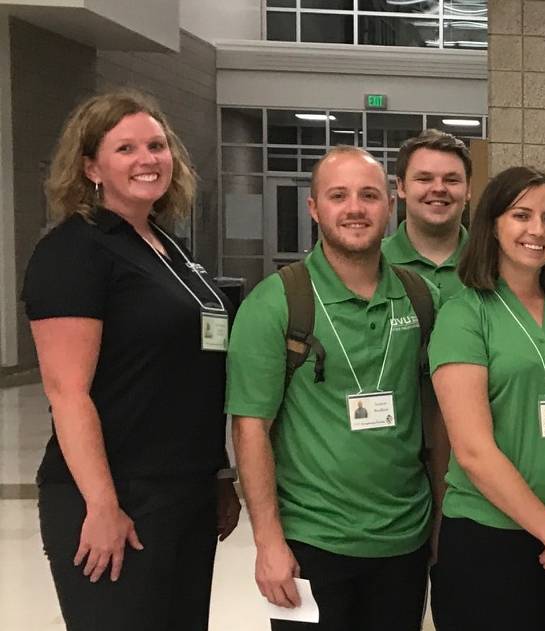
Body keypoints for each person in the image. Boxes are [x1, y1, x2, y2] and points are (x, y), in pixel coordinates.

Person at [23, 89, 239, 631]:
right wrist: (101, 505)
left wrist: (217, 476)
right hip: (117, 495)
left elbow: (189, 373)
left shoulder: (170, 248)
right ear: (91, 165)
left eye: (157, 145)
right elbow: (66, 391)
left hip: (185, 494)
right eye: (126, 149)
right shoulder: (74, 251)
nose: (148, 159)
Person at [226, 146, 443, 631]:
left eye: (369, 195)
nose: (355, 209)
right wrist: (268, 542)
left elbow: (434, 415)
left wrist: (440, 521)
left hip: (403, 539)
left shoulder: (419, 297)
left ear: (390, 204)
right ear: (313, 207)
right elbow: (250, 428)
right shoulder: (276, 303)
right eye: (338, 195)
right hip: (312, 543)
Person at [426, 166, 545, 628]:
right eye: (522, 215)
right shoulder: (464, 314)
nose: (537, 230)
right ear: (492, 224)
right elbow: (473, 450)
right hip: (490, 539)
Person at [382, 129, 472, 299]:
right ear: (401, 187)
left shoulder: (494, 263)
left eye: (451, 180)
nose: (439, 188)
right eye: (424, 179)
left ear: (468, 189)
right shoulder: (372, 262)